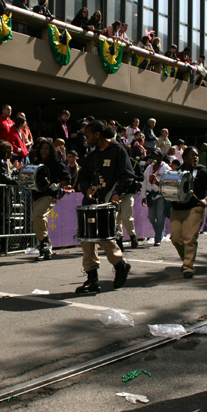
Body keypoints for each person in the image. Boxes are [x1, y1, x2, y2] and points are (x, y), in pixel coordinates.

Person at [74, 121, 132, 293]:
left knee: (104, 238)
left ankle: (120, 265)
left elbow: (128, 176)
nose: (86, 140)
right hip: (90, 204)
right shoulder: (91, 156)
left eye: (88, 136)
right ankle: (92, 279)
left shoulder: (118, 150)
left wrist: (116, 193)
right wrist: (88, 189)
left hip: (107, 203)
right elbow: (81, 179)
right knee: (87, 240)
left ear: (98, 134)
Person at [170, 147, 207, 278]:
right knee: (176, 238)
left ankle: (188, 267)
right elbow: (168, 189)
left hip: (195, 208)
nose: (195, 157)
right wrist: (157, 183)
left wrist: (206, 200)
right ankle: (187, 260)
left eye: (196, 155)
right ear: (184, 158)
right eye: (191, 155)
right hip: (177, 209)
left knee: (189, 238)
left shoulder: (202, 171)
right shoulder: (176, 172)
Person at [32, 139, 70, 261]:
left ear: (51, 150)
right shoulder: (36, 163)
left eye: (47, 148)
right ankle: (45, 248)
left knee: (38, 215)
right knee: (38, 218)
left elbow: (67, 179)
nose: (44, 151)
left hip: (50, 195)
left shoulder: (57, 163)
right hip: (36, 195)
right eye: (42, 148)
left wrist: (58, 185)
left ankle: (44, 242)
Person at [140, 149, 169, 246]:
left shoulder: (166, 168)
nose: (155, 158)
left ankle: (158, 238)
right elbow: (144, 183)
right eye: (153, 156)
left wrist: (157, 182)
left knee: (160, 217)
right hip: (151, 194)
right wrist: (143, 196)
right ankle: (158, 233)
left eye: (157, 156)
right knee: (151, 217)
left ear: (161, 157)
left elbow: (167, 183)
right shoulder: (149, 168)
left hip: (160, 194)